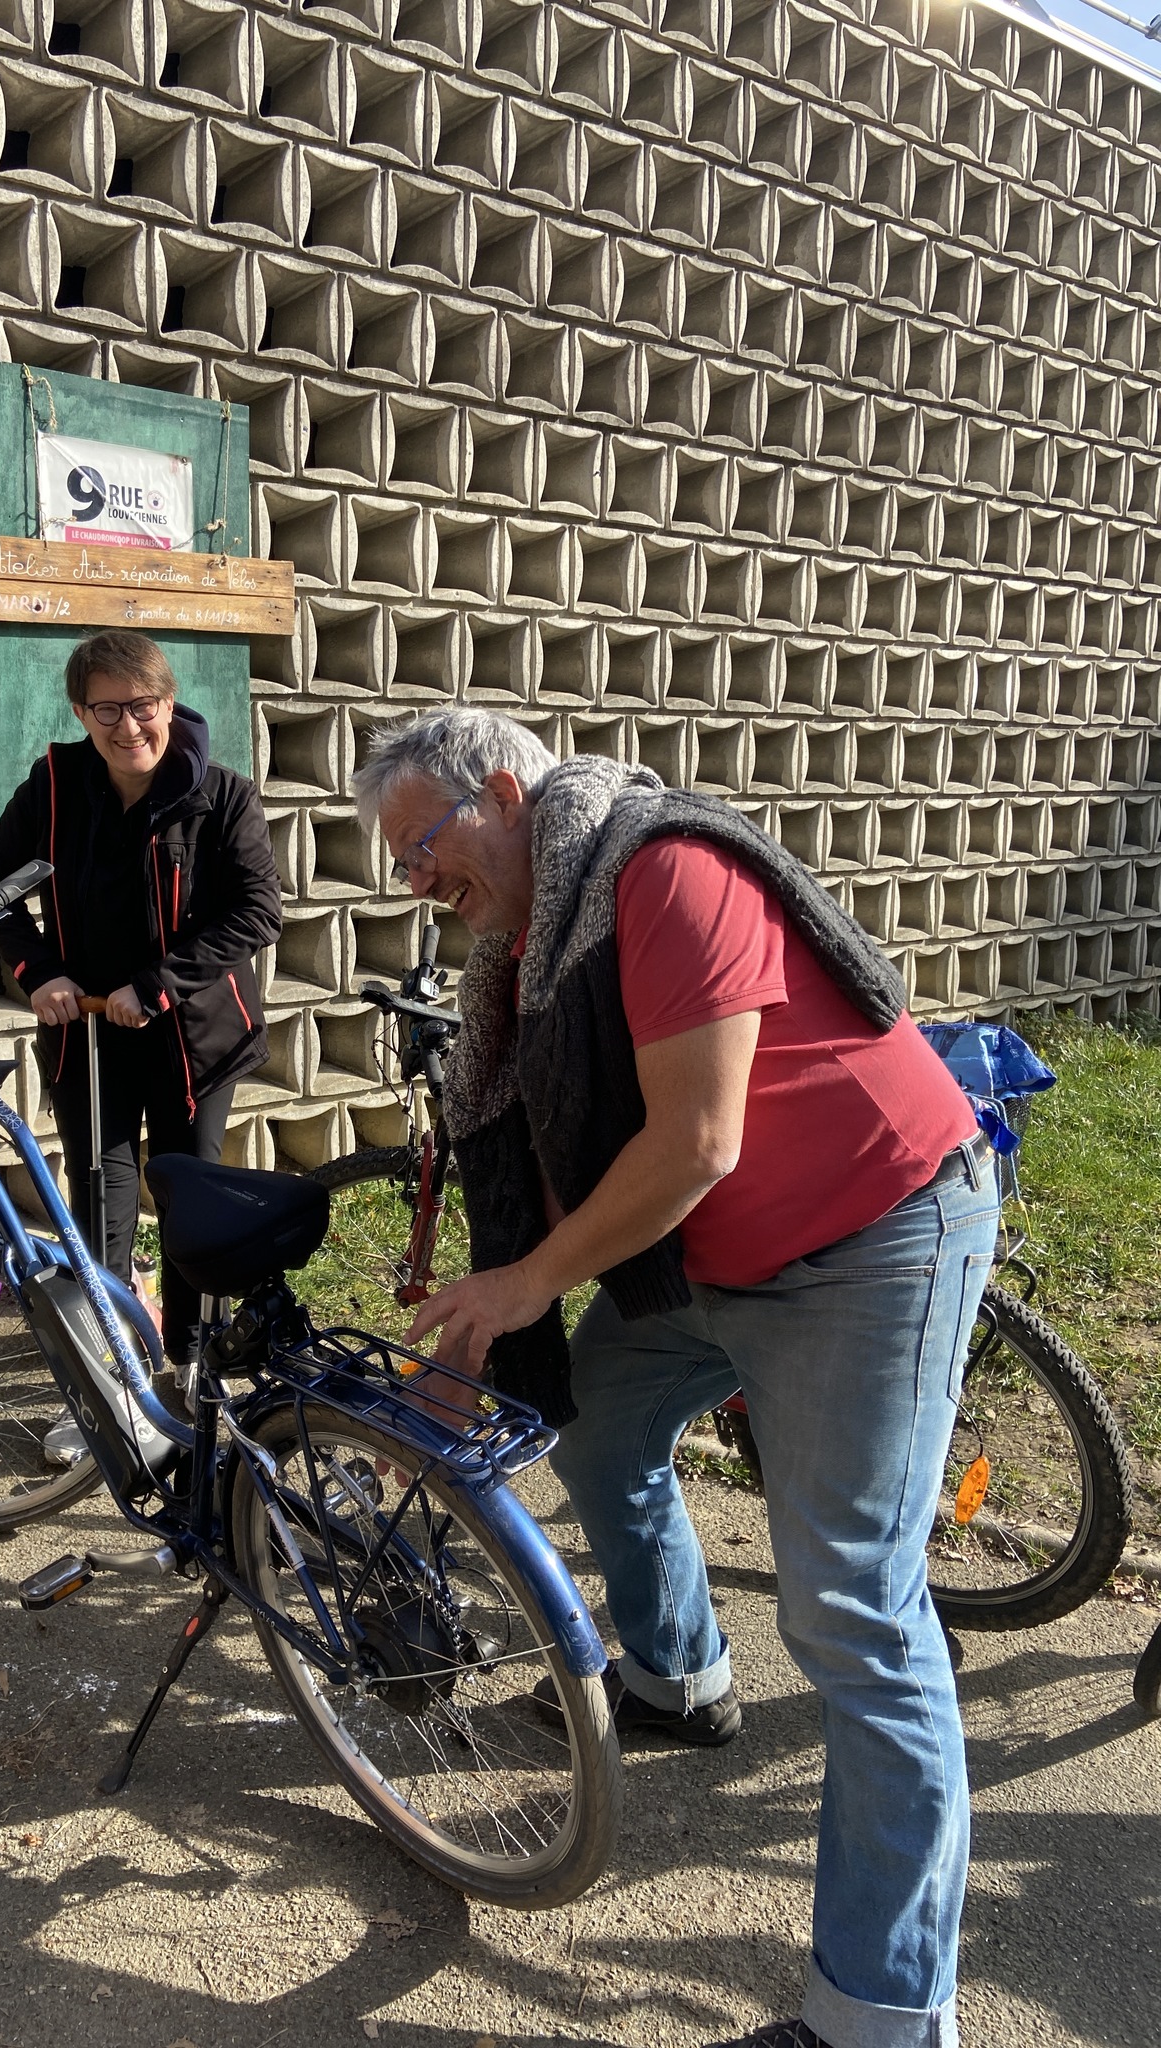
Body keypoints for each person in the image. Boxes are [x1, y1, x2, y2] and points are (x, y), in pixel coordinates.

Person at [352, 706, 998, 2048]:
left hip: (874, 1237)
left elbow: (696, 1137)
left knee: (856, 1624)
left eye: (423, 842)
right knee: (595, 1430)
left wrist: (528, 1286)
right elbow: (556, 1161)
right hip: (718, 1263)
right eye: (397, 861)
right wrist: (487, 1336)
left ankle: (880, 2016)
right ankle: (678, 1676)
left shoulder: (661, 866)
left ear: (511, 792)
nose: (414, 880)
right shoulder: (536, 943)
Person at [0, 631, 282, 1417]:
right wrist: (38, 973)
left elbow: (258, 910)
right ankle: (106, 1376)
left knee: (184, 1194)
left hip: (192, 1037)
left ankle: (187, 1364)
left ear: (168, 704)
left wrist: (158, 983)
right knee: (99, 1194)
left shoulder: (224, 794)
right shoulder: (53, 785)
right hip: (89, 1034)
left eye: (142, 706)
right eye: (105, 708)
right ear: (81, 711)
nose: (127, 726)